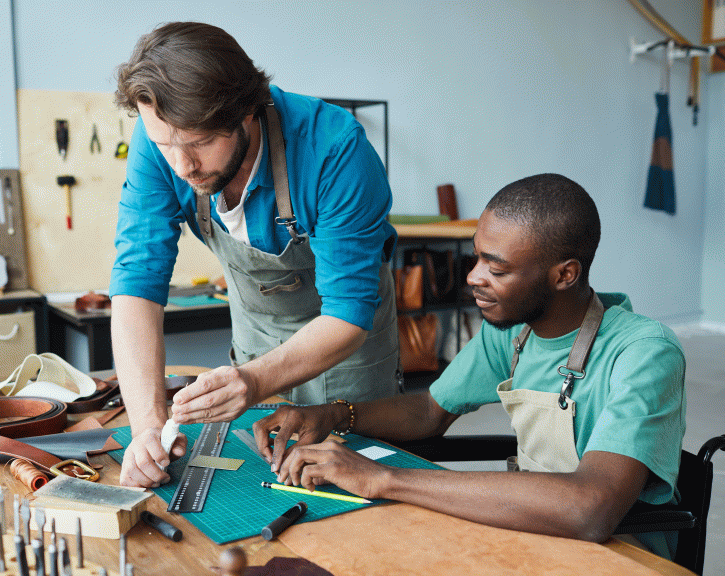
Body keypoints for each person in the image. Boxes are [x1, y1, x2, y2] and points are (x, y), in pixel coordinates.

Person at [253, 173, 686, 557]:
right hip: (538, 532)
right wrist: (333, 414)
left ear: (565, 275)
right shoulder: (514, 332)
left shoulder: (644, 353)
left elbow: (591, 507)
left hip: (622, 552)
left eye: (496, 269)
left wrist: (382, 478)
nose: (472, 277)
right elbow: (429, 410)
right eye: (477, 258)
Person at [110, 22, 401, 488]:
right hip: (253, 346)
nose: (183, 166)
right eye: (167, 145)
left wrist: (254, 380)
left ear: (247, 109)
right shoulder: (158, 139)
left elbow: (348, 311)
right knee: (256, 489)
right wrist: (147, 424)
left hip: (345, 353)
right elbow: (135, 285)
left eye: (200, 143)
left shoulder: (335, 150)